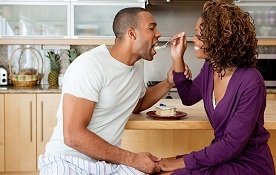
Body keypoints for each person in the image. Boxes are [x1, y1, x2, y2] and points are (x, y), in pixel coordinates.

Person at [38, 7, 190, 175]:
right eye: (151, 28)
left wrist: (169, 82)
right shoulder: (90, 65)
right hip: (68, 160)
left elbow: (136, 104)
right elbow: (73, 135)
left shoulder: (137, 69)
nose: (158, 34)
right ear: (132, 34)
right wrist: (133, 159)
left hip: (106, 164)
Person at [155, 1, 275, 175]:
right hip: (223, 157)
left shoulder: (251, 81)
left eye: (200, 36)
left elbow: (231, 145)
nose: (194, 40)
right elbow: (188, 97)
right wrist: (176, 58)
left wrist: (179, 163)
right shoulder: (211, 68)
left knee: (178, 171)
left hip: (249, 164)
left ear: (221, 41)